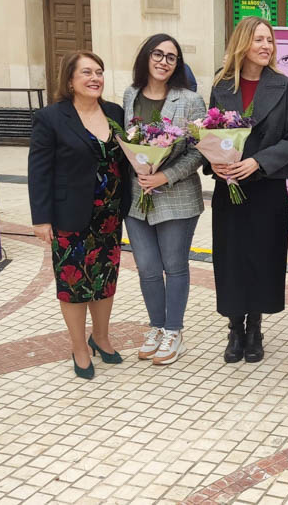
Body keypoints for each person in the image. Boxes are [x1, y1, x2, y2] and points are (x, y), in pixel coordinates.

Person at [28, 50, 131, 380]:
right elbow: (39, 171)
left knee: (105, 279)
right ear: (70, 80)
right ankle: (79, 347)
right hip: (69, 214)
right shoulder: (51, 118)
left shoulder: (114, 112)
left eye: (99, 72)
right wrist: (41, 218)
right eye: (86, 72)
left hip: (110, 216)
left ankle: (100, 337)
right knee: (73, 284)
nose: (95, 78)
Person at [209, 16, 288, 365]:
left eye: (269, 40)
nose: (266, 46)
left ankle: (255, 329)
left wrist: (258, 162)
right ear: (242, 43)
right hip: (229, 188)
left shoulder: (284, 87)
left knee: (261, 258)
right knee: (232, 258)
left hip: (266, 189)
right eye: (258, 39)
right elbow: (209, 133)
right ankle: (235, 328)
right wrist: (216, 163)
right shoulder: (220, 85)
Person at [121, 34, 207, 365]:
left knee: (174, 266)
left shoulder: (190, 100)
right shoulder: (130, 94)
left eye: (171, 57)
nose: (163, 62)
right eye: (158, 54)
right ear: (146, 56)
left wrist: (164, 175)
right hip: (137, 195)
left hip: (177, 196)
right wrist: (141, 170)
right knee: (146, 267)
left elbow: (199, 152)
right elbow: (130, 142)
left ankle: (174, 332)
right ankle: (156, 326)